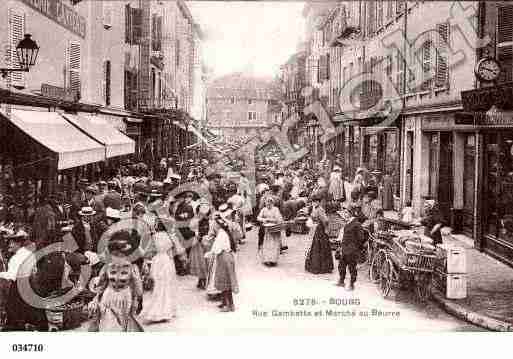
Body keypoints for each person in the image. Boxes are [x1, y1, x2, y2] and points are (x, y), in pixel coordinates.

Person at [88, 230, 144, 332]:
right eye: (114, 252)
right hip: (108, 299)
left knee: (123, 325)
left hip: (125, 299)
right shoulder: (107, 267)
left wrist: (136, 300)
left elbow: (138, 289)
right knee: (109, 325)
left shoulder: (132, 268)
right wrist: (95, 300)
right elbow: (100, 286)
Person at [139, 220, 185, 324]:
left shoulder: (155, 237)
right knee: (167, 285)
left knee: (158, 286)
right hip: (168, 261)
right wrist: (170, 252)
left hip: (158, 261)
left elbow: (148, 252)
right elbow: (179, 250)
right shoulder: (171, 236)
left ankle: (157, 310)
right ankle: (167, 310)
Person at [1, 229, 48, 331]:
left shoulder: (16, 258)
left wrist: (1, 274)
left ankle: (17, 327)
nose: (9, 245)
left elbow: (12, 276)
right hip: (31, 284)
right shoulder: (27, 253)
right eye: (8, 243)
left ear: (18, 243)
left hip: (20, 286)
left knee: (13, 309)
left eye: (11, 243)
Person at [205, 211, 239, 312]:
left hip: (224, 258)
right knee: (224, 281)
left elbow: (216, 248)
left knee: (225, 282)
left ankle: (228, 305)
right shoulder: (225, 232)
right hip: (226, 257)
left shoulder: (221, 234)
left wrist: (209, 253)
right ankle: (226, 302)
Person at [336, 206, 365, 290]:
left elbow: (361, 238)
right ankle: (341, 281)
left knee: (352, 267)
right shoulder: (348, 222)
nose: (344, 214)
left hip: (352, 250)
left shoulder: (357, 224)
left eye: (346, 212)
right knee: (341, 265)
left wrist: (355, 247)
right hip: (344, 248)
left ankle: (352, 284)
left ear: (350, 213)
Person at [305, 196, 335, 274]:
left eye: (316, 201)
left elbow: (326, 220)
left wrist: (323, 226)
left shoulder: (320, 209)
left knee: (319, 247)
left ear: (319, 202)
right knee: (313, 246)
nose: (314, 203)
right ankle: (314, 265)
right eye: (313, 202)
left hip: (319, 230)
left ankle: (321, 267)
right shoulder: (314, 209)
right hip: (314, 229)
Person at [257, 197, 283, 266]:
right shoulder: (264, 209)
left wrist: (270, 220)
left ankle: (273, 260)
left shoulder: (275, 209)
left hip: (274, 229)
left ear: (272, 203)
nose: (268, 204)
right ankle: (267, 259)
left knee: (274, 245)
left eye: (270, 203)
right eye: (267, 203)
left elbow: (279, 219)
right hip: (267, 230)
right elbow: (258, 217)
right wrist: (263, 220)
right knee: (267, 245)